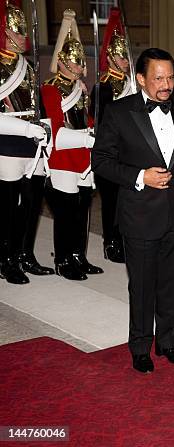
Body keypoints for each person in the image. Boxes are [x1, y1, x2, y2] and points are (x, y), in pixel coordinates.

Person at [92, 48, 174, 374]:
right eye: (158, 78)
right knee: (142, 285)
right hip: (139, 213)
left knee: (171, 283)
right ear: (141, 78)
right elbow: (100, 161)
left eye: (171, 77)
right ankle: (141, 347)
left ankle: (168, 343)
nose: (166, 84)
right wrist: (139, 176)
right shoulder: (118, 112)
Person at [42, 9, 102, 281]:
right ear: (63, 63)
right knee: (65, 212)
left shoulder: (81, 89)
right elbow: (57, 130)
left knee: (81, 211)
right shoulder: (50, 88)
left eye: (81, 64)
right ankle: (63, 259)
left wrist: (97, 132)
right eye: (76, 64)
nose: (80, 68)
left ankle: (79, 255)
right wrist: (88, 137)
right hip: (62, 158)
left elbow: (85, 118)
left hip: (83, 156)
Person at [0, 0, 53, 284]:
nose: (25, 37)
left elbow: (39, 106)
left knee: (32, 204)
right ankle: (6, 259)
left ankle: (25, 254)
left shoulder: (28, 66)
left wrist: (46, 132)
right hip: (6, 145)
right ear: (5, 34)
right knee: (8, 206)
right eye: (19, 33)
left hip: (33, 145)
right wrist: (26, 129)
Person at [90, 6, 135, 263]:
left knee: (127, 201)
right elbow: (102, 124)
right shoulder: (103, 87)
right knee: (110, 201)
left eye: (126, 58)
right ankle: (111, 243)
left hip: (129, 152)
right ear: (110, 57)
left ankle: (125, 239)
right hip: (111, 152)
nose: (126, 62)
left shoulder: (131, 85)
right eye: (121, 58)